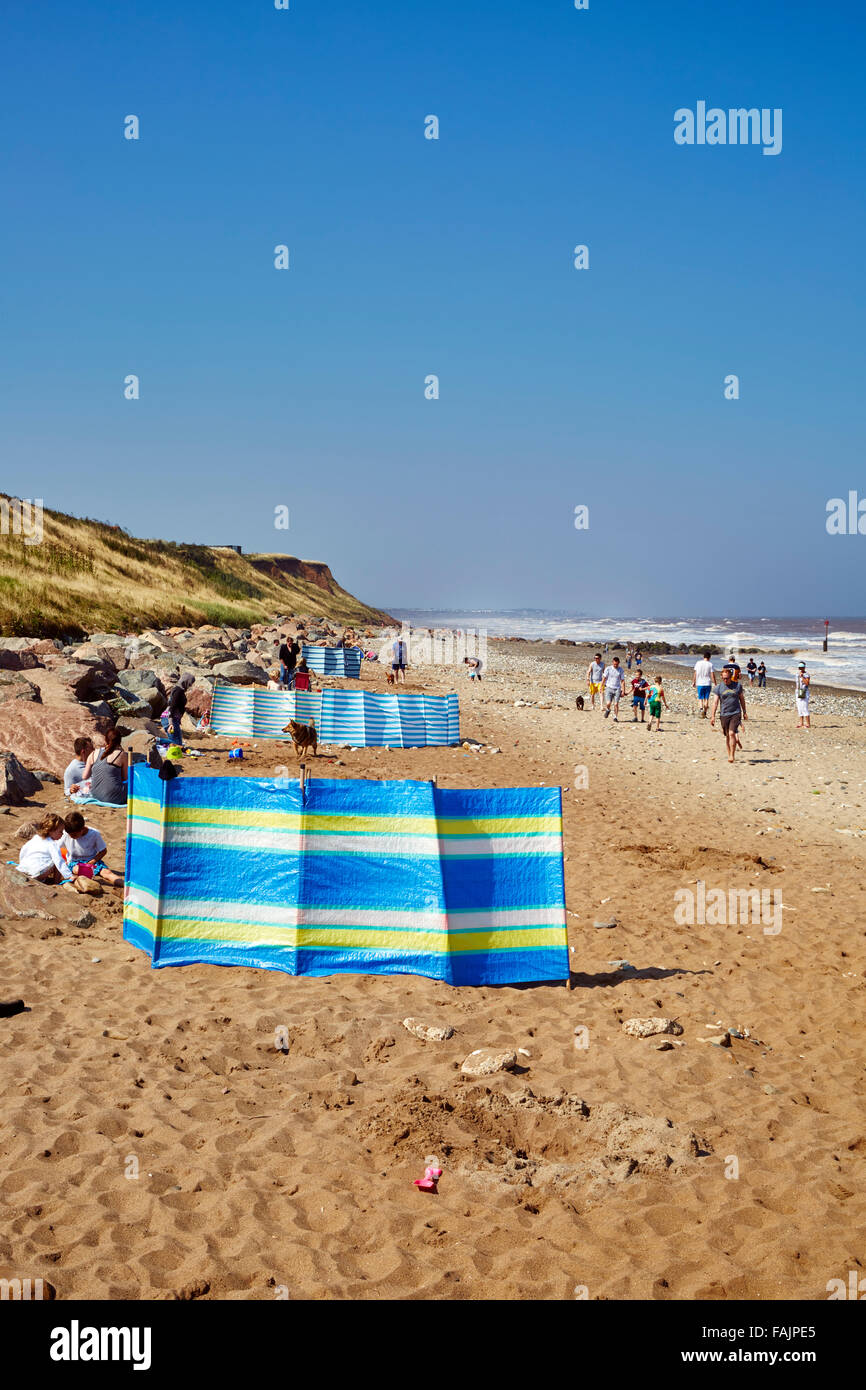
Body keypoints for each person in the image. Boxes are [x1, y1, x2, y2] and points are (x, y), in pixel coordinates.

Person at [62, 812, 124, 886]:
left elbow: (103, 851)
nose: (71, 837)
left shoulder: (94, 834)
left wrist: (92, 862)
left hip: (91, 860)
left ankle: (127, 886)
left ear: (82, 829)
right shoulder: (66, 833)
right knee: (78, 869)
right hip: (74, 861)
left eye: (74, 835)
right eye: (70, 835)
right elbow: (56, 848)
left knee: (107, 873)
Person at [17, 813, 74, 883]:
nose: (62, 834)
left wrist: (22, 863)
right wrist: (69, 875)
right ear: (51, 830)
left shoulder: (35, 838)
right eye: (60, 831)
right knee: (56, 862)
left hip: (23, 870)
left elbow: (23, 850)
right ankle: (56, 882)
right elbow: (59, 861)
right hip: (37, 873)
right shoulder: (52, 844)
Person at [710, 665, 747, 763]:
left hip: (736, 713)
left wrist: (744, 712)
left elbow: (742, 699)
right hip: (724, 714)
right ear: (721, 677)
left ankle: (732, 755)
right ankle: (729, 753)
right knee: (727, 735)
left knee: (732, 733)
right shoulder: (718, 688)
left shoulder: (737, 686)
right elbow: (715, 702)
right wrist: (712, 716)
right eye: (724, 678)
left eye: (727, 678)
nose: (726, 680)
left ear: (730, 677)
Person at [89, 727, 128, 805]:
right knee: (133, 785)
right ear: (119, 741)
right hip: (113, 798)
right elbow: (125, 778)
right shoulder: (121, 754)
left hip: (95, 794)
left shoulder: (96, 752)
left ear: (106, 740)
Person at [167, 673, 195, 745]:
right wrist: (171, 723)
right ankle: (157, 740)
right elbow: (172, 706)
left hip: (174, 719)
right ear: (185, 681)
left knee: (178, 744)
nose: (190, 685)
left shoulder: (180, 690)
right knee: (176, 744)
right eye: (190, 683)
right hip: (171, 719)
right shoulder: (178, 691)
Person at [692, 650, 716, 719]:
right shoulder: (710, 664)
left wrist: (694, 681)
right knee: (706, 699)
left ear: (703, 656)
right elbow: (712, 675)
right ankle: (705, 712)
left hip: (699, 683)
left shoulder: (698, 663)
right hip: (708, 683)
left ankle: (701, 709)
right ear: (709, 657)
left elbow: (695, 673)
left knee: (700, 698)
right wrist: (715, 683)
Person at [602, 656, 626, 720]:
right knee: (608, 703)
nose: (615, 665)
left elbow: (623, 681)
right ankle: (608, 709)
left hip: (617, 688)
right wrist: (601, 686)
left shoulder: (621, 670)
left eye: (617, 664)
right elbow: (604, 678)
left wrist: (623, 691)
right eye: (614, 664)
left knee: (616, 704)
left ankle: (615, 717)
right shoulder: (608, 668)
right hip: (609, 687)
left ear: (619, 663)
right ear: (612, 662)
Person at [796, 662, 811, 729]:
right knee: (799, 708)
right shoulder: (797, 674)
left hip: (804, 691)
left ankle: (808, 723)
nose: (800, 669)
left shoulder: (806, 674)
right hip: (798, 691)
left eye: (802, 667)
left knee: (804, 707)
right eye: (799, 668)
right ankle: (801, 723)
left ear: (804, 667)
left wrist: (802, 676)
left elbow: (807, 683)